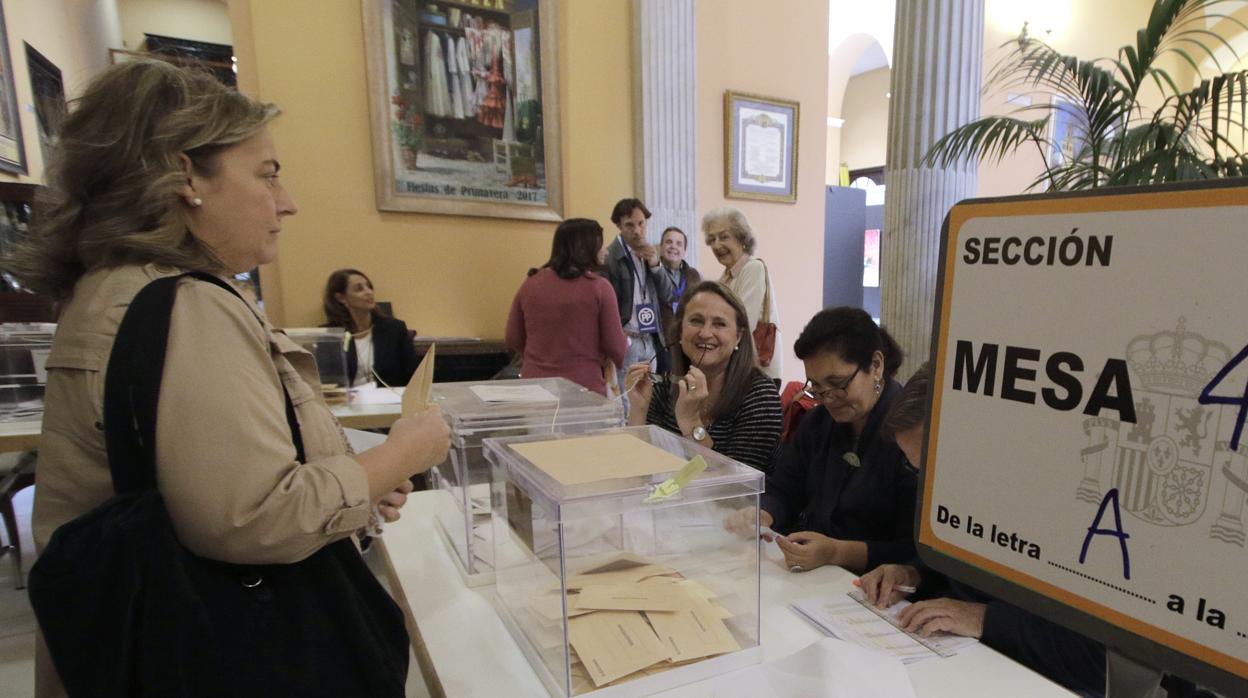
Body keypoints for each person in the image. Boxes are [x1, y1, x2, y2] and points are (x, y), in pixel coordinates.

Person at [10, 60, 451, 696]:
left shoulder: (109, 290)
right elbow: (253, 515)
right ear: (185, 173)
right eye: (266, 175)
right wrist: (403, 452)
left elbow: (214, 474)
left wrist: (360, 482)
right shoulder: (187, 303)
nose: (287, 202)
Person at [859, 363, 1107, 697]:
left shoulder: (1076, 513)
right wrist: (914, 575)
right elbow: (963, 577)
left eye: (936, 468)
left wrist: (983, 618)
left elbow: (1098, 661)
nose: (931, 487)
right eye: (916, 468)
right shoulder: (962, 497)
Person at [728, 306, 915, 575]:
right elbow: (784, 487)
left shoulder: (910, 437)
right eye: (816, 387)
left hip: (873, 586)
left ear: (876, 365)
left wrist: (837, 551)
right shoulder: (818, 423)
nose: (827, 398)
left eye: (837, 383)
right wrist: (762, 515)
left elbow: (912, 551)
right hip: (810, 572)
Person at [625, 281, 781, 471]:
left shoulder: (760, 396)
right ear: (680, 331)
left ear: (738, 337)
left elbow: (736, 488)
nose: (706, 333)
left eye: (720, 324)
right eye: (696, 321)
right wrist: (638, 410)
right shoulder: (665, 387)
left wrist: (690, 421)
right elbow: (635, 469)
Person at [505, 218, 627, 396]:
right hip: (584, 388)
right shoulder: (599, 288)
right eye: (600, 245)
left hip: (535, 388)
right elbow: (615, 346)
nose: (605, 250)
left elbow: (512, 337)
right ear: (586, 248)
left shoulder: (530, 284)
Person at [604, 198, 674, 405]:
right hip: (626, 338)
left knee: (648, 401)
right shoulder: (611, 258)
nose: (637, 230)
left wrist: (655, 265)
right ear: (618, 226)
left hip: (649, 337)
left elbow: (668, 294)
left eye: (641, 223)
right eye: (629, 225)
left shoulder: (650, 252)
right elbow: (608, 306)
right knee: (626, 403)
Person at [702, 207, 782, 381]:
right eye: (712, 239)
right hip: (737, 370)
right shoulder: (725, 277)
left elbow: (744, 320)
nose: (716, 245)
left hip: (758, 371)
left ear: (742, 239)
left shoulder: (753, 268)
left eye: (723, 237)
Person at [322, 268, 419, 388]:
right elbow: (327, 382)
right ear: (341, 298)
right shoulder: (330, 336)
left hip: (389, 401)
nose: (368, 292)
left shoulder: (394, 329)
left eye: (369, 286)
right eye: (359, 289)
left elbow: (414, 375)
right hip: (346, 403)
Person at [657, 225, 702, 336]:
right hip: (660, 337)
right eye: (669, 242)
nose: (673, 246)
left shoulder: (694, 275)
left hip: (686, 336)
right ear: (661, 247)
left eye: (679, 244)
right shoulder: (652, 272)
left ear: (684, 251)